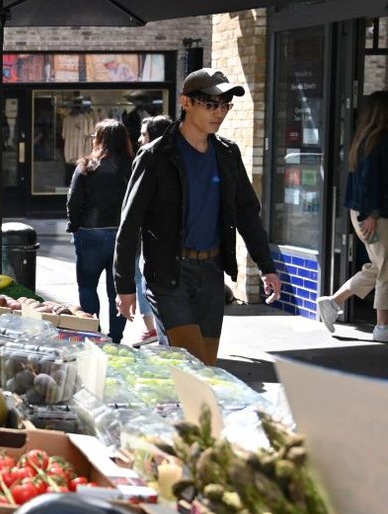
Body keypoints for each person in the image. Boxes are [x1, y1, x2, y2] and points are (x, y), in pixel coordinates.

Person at [114, 68, 281, 365]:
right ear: (186, 102)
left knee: (205, 364)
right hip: (169, 274)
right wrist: (124, 286)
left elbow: (247, 213)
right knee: (190, 361)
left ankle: (177, 410)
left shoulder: (228, 154)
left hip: (212, 273)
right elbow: (130, 222)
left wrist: (266, 266)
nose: (219, 113)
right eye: (210, 104)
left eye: (225, 105)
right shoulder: (156, 156)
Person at [317, 91, 388, 341]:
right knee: (386, 268)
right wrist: (373, 214)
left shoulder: (363, 139)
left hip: (363, 212)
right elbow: (372, 182)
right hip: (374, 215)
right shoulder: (379, 141)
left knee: (379, 266)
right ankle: (382, 327)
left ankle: (333, 302)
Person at [66, 119, 133, 344]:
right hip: (122, 236)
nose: (92, 138)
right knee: (118, 290)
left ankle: (93, 331)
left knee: (87, 285)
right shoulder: (132, 167)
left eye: (95, 135)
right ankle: (115, 338)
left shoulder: (87, 165)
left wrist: (73, 226)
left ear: (100, 139)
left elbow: (74, 200)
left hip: (90, 232)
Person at [132, 115, 174, 347]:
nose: (139, 139)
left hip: (160, 245)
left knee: (147, 283)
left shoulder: (150, 162)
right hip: (155, 241)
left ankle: (156, 331)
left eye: (143, 134)